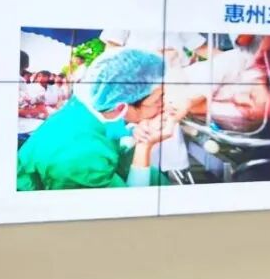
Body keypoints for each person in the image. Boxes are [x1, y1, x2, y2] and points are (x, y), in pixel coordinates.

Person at [16, 48, 176, 190]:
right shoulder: (82, 158)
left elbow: (110, 135)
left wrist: (136, 131)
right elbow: (128, 207)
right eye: (158, 100)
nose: (164, 105)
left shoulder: (87, 108)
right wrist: (144, 146)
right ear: (120, 107)